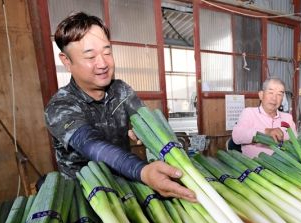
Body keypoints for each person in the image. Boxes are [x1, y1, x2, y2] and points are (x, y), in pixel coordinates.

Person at [44, 12, 195, 201]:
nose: (103, 63)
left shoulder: (120, 90)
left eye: (107, 52)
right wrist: (142, 171)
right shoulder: (60, 106)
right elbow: (92, 145)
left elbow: (145, 118)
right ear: (67, 61)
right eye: (90, 57)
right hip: (85, 198)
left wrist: (142, 129)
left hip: (126, 187)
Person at [231, 77, 297, 158]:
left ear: (282, 99)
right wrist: (266, 132)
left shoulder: (287, 118)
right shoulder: (249, 113)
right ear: (261, 95)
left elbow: (295, 143)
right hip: (255, 167)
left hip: (282, 167)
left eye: (279, 94)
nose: (274, 98)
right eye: (270, 92)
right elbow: (237, 136)